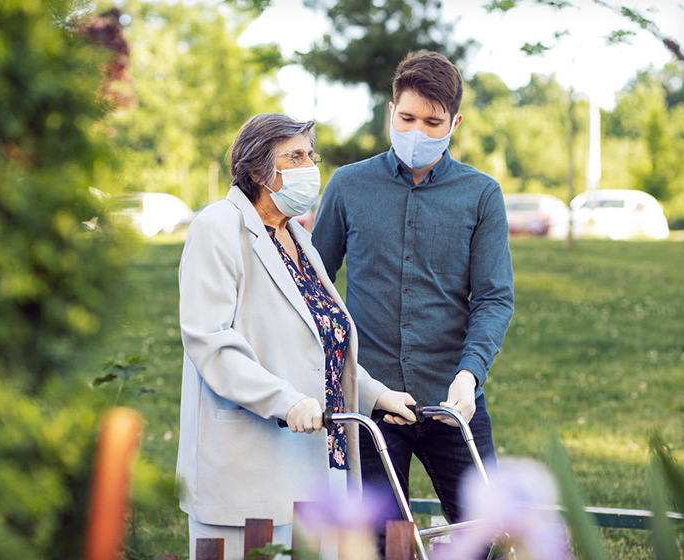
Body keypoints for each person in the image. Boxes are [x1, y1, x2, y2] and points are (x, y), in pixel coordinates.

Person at [175, 113, 417, 560]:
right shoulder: (218, 228)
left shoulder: (296, 237)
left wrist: (378, 396)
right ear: (255, 172)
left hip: (317, 461)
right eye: (295, 157)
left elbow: (323, 345)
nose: (310, 166)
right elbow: (210, 342)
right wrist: (286, 401)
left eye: (311, 155)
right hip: (248, 464)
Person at [312, 50, 514, 553]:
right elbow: (312, 290)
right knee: (380, 545)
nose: (417, 132)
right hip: (371, 402)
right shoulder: (347, 186)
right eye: (406, 118)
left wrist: (469, 377)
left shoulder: (482, 194)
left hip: (453, 401)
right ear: (390, 112)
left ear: (455, 122)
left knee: (484, 536)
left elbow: (493, 297)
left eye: (432, 122)